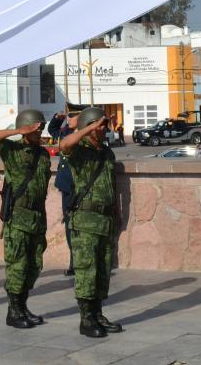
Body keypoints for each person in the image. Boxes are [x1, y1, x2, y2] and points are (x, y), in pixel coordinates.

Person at [60, 106, 123, 338]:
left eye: (104, 125)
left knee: (102, 270)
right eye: (100, 125)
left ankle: (97, 313)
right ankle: (86, 320)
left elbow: (111, 184)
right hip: (85, 220)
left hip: (105, 220)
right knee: (87, 270)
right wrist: (88, 128)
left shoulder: (107, 153)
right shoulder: (78, 150)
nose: (104, 129)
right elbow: (63, 145)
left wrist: (117, 210)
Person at [0, 109, 52, 329]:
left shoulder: (43, 154)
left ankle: (23, 306)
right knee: (18, 265)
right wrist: (18, 131)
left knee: (34, 265)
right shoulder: (11, 149)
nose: (39, 132)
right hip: (18, 217)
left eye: (41, 128)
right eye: (35, 128)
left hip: (37, 216)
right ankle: (13, 311)